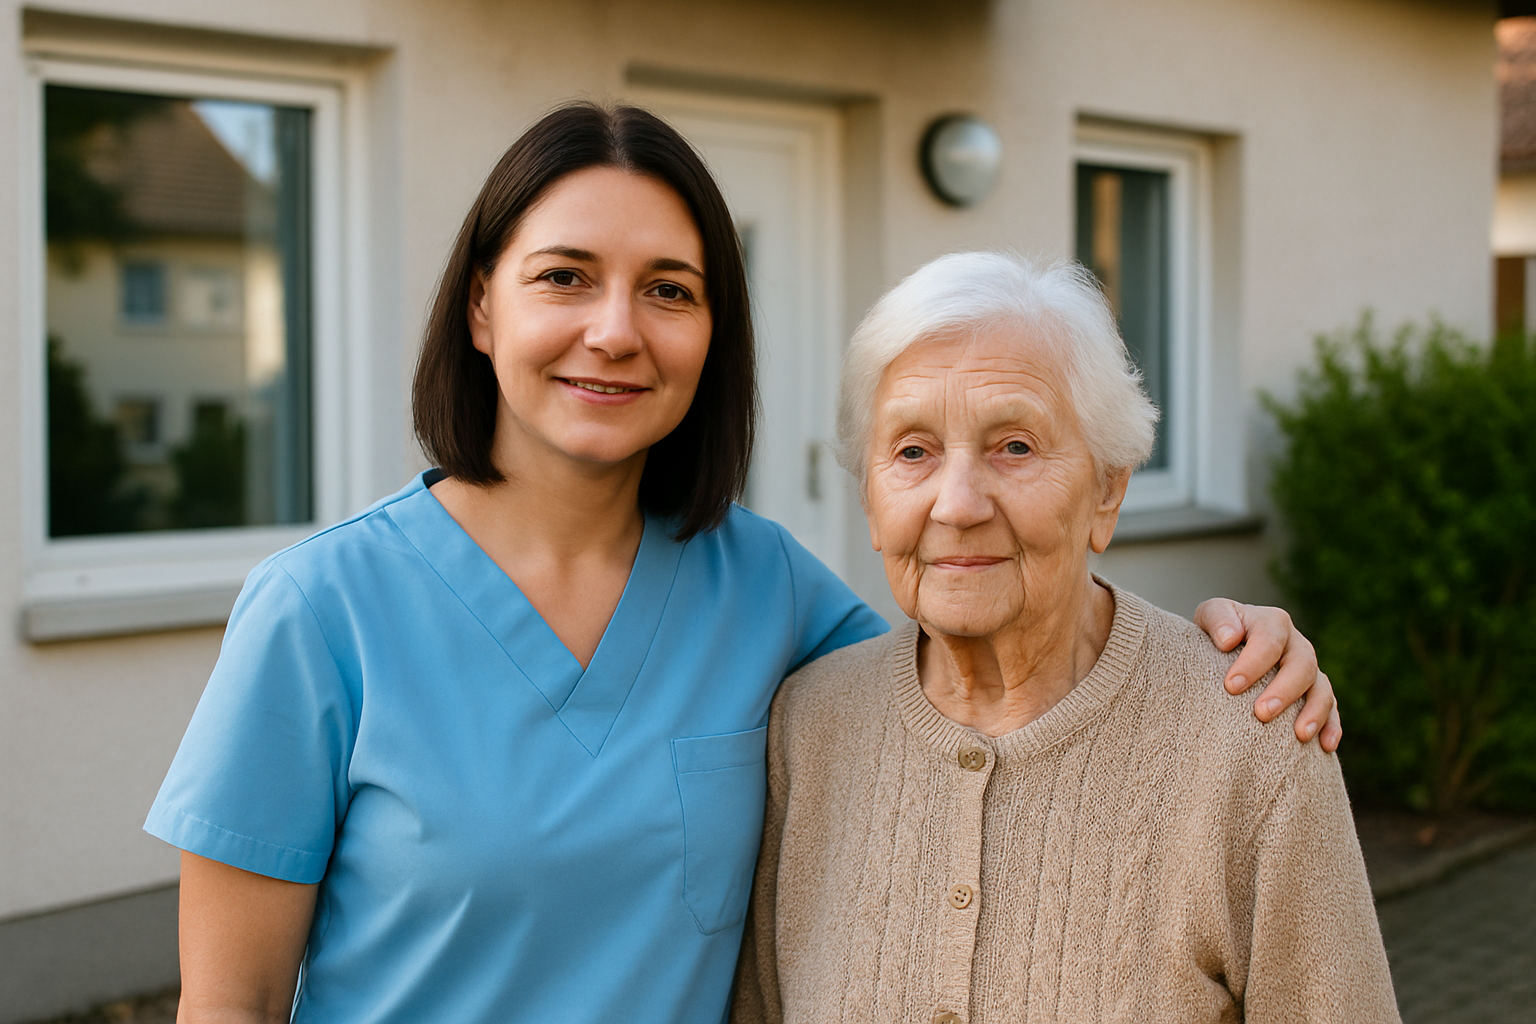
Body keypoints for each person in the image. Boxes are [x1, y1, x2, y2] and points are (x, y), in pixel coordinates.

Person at [145, 105, 1339, 1024]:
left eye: (669, 290)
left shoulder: (764, 588)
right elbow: (229, 1003)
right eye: (564, 276)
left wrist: (1215, 652)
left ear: (712, 337)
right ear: (479, 308)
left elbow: (983, 655)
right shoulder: (319, 611)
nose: (616, 329)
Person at [732, 251, 1396, 1024]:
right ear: (871, 500)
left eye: (1015, 446)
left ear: (1108, 487)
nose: (956, 503)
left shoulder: (1250, 742)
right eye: (912, 451)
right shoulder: (807, 730)